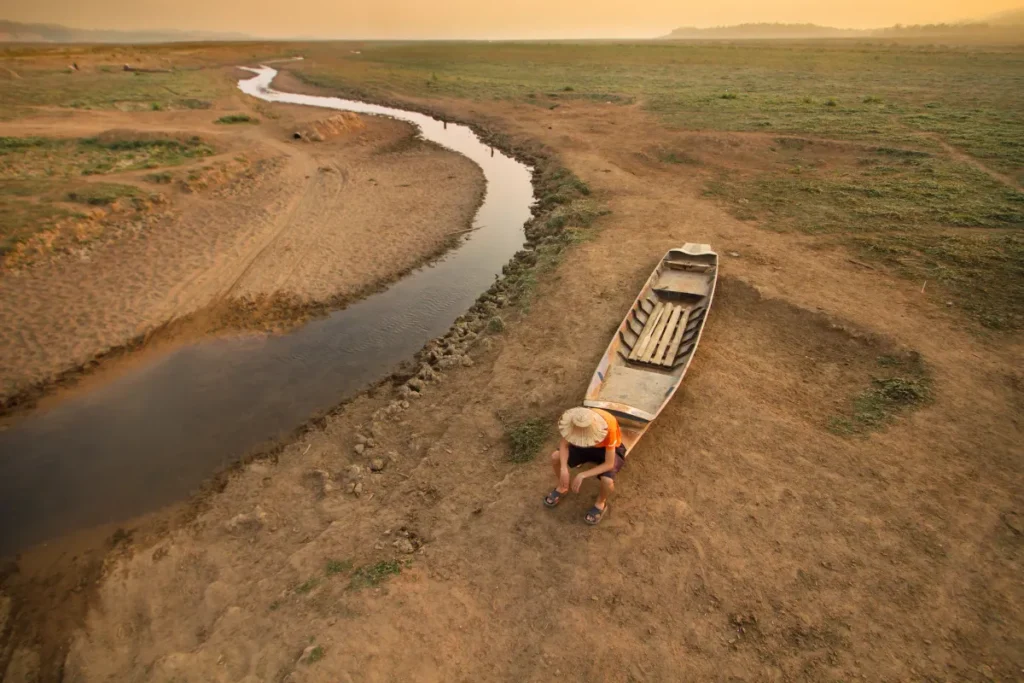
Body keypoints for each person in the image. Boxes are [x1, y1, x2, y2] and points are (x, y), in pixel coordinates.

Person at [543, 406, 626, 525]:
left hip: (606, 450)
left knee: (607, 481)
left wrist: (582, 475)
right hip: (583, 445)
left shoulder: (608, 426)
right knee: (555, 457)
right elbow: (564, 445)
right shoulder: (576, 420)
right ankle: (563, 487)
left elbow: (609, 464)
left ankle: (600, 502)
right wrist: (563, 468)